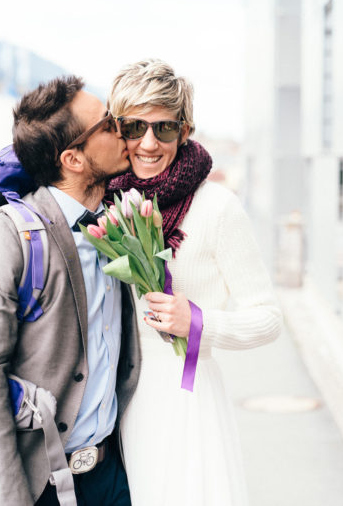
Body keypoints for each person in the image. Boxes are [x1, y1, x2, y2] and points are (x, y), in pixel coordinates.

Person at [0, 75, 141, 506]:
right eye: (108, 124)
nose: (122, 128)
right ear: (73, 159)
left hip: (108, 478)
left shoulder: (119, 222)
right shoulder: (6, 235)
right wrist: (5, 498)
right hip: (31, 484)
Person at [106, 59, 283, 505]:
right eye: (134, 128)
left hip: (186, 402)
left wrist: (199, 322)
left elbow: (268, 318)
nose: (148, 143)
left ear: (185, 131)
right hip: (115, 407)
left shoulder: (218, 208)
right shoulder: (106, 204)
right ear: (116, 130)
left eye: (163, 129)